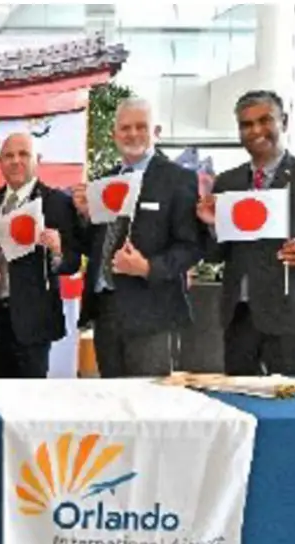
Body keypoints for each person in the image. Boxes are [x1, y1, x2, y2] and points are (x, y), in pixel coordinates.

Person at [197, 89, 295, 376]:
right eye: (246, 124)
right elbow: (217, 254)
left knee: (290, 405)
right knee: (240, 401)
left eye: (264, 120)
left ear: (283, 122)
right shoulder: (227, 182)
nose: (256, 130)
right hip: (238, 315)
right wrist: (211, 223)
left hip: (290, 315)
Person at [74, 96, 202, 378]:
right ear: (114, 134)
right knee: (113, 405)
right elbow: (92, 245)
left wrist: (148, 267)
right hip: (106, 311)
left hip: (152, 314)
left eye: (141, 127)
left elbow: (192, 246)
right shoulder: (103, 181)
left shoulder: (179, 180)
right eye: (126, 127)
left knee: (150, 409)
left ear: (156, 131)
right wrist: (85, 216)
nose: (133, 134)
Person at [0, 133, 82, 378]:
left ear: (37, 159)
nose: (16, 161)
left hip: (34, 322)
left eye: (23, 154)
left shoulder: (58, 203)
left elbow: (73, 261)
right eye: (9, 155)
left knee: (30, 403)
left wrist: (58, 249)